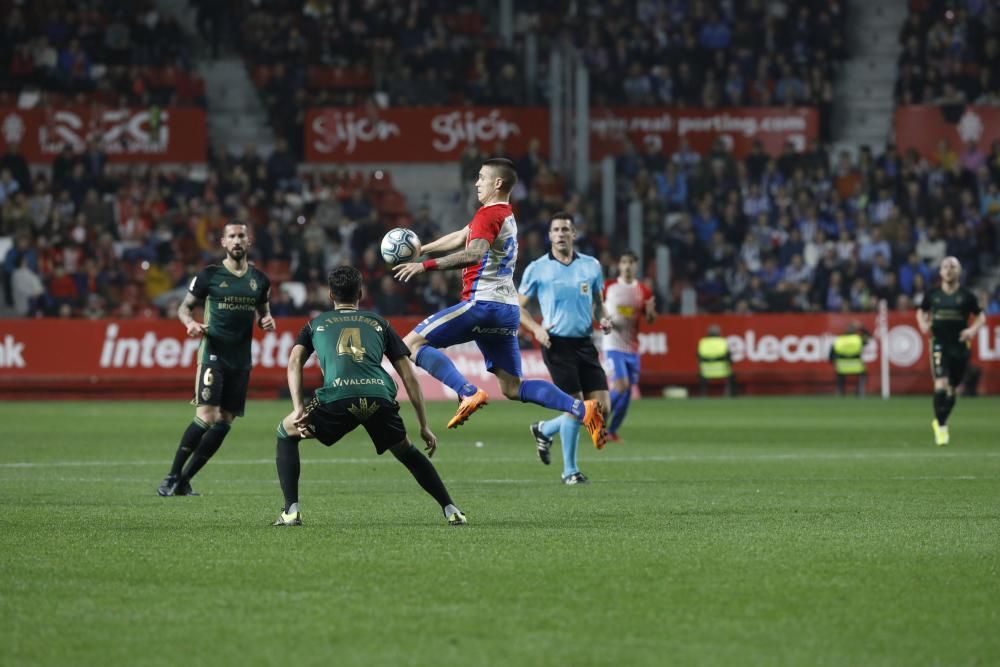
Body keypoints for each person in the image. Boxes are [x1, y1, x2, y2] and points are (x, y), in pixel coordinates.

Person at [393, 158, 606, 447]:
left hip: (483, 304)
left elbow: (473, 253)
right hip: (507, 311)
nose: (477, 182)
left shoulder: (488, 215)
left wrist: (424, 265)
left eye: (481, 177)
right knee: (512, 387)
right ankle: (583, 409)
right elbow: (462, 236)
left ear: (497, 183)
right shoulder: (504, 214)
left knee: (411, 345)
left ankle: (467, 391)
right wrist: (421, 248)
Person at [271, 266, 466, 527]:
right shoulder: (379, 322)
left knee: (286, 433)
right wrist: (423, 425)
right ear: (360, 293)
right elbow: (409, 377)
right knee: (406, 450)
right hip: (379, 398)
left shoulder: (315, 324)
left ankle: (291, 511)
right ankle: (451, 508)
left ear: (330, 295)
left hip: (337, 397)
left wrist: (297, 408)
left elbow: (294, 360)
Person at [157, 222, 275, 496]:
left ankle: (184, 480)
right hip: (213, 354)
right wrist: (190, 323)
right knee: (207, 415)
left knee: (224, 421)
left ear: (249, 240)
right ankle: (171, 475)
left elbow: (263, 313)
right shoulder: (209, 275)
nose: (236, 240)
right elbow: (184, 308)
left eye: (241, 236)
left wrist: (266, 320)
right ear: (223, 242)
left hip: (241, 359)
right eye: (231, 236)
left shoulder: (260, 280)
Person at [520, 213, 613, 484]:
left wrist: (604, 318)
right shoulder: (537, 268)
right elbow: (518, 306)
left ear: (574, 234)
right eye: (556, 230)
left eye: (565, 229)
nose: (560, 234)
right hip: (556, 344)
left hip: (585, 343)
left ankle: (545, 429)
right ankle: (570, 471)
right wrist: (536, 329)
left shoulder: (591, 265)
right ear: (550, 236)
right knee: (576, 408)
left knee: (602, 409)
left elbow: (598, 302)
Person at [916, 256, 986, 446]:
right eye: (945, 267)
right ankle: (942, 427)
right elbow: (921, 311)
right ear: (940, 272)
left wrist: (971, 330)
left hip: (960, 346)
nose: (948, 270)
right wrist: (923, 323)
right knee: (940, 384)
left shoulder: (966, 296)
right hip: (939, 343)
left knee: (952, 389)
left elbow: (981, 317)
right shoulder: (933, 294)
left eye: (953, 267)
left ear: (959, 271)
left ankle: (940, 421)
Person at [602, 251, 656, 442]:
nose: (627, 266)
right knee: (621, 385)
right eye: (624, 262)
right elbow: (596, 307)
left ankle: (611, 431)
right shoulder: (608, 287)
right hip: (612, 345)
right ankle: (598, 416)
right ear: (619, 265)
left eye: (631, 262)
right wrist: (604, 320)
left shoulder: (643, 290)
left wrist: (650, 314)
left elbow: (650, 318)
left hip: (632, 348)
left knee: (626, 393)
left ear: (636, 266)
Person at [829, 321, 870, 397]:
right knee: (864, 373)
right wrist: (862, 328)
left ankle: (840, 392)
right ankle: (860, 391)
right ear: (855, 330)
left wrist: (833, 362)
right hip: (856, 366)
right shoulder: (858, 339)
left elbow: (831, 354)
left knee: (839, 375)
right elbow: (868, 337)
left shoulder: (839, 339)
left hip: (842, 366)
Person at [697, 325, 734, 397]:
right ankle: (728, 394)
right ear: (719, 333)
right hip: (722, 371)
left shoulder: (703, 342)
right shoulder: (722, 342)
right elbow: (729, 357)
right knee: (732, 375)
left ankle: (703, 394)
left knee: (701, 376)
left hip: (706, 371)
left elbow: (699, 357)